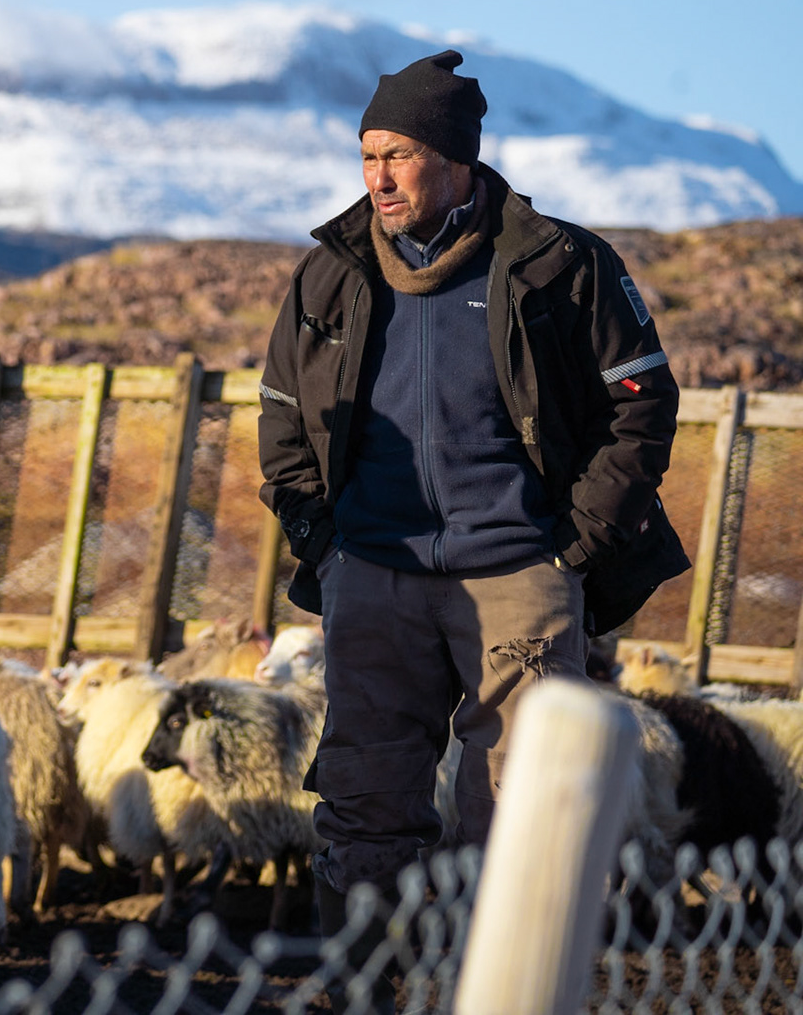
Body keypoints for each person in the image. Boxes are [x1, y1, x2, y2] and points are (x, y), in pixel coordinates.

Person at [257, 49, 687, 967]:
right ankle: (368, 984)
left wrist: (575, 545)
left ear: (455, 158)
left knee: (519, 811)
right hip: (372, 573)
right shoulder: (331, 274)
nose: (377, 175)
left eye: (398, 154)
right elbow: (283, 416)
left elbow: (642, 401)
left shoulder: (558, 264)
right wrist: (321, 546)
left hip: (518, 577)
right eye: (366, 153)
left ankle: (489, 986)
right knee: (364, 802)